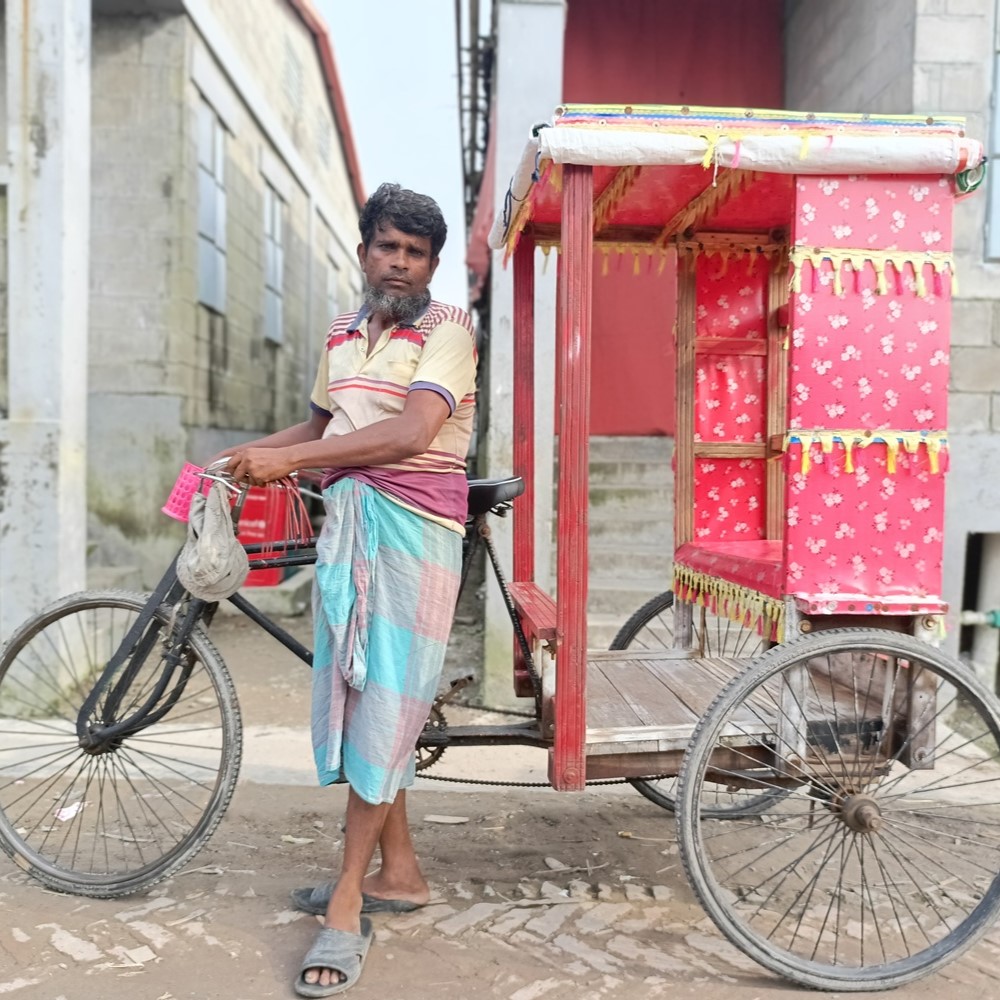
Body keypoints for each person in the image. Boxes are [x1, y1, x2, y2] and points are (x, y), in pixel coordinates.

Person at [219, 183, 477, 996]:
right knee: (368, 695)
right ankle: (398, 874)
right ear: (364, 249)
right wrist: (236, 459)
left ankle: (343, 903)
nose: (399, 264)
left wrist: (289, 465)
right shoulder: (341, 332)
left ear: (432, 264)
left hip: (416, 535)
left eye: (416, 253)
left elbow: (410, 432)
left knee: (387, 701)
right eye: (387, 247)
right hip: (351, 529)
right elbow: (320, 429)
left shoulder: (450, 330)